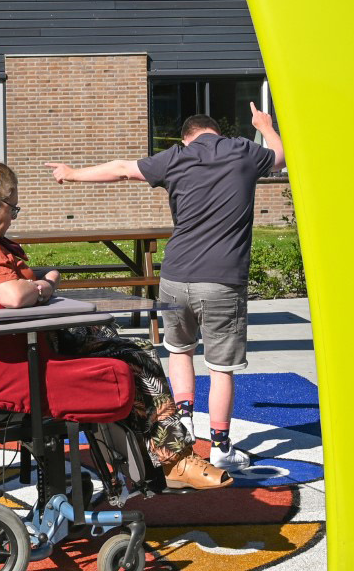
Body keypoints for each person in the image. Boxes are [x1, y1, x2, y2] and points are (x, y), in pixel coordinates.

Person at [0, 160, 232, 490]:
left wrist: (39, 279)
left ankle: (153, 454)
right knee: (137, 355)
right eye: (12, 208)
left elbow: (5, 283)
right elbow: (11, 295)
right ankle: (174, 460)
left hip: (18, 344)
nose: (12, 217)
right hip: (30, 351)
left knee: (111, 339)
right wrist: (46, 287)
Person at [46, 102, 283, 471]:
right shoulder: (243, 151)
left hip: (175, 276)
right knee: (220, 368)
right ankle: (221, 446)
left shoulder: (176, 157)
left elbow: (122, 169)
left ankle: (184, 426)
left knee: (179, 351)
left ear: (187, 136)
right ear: (215, 132)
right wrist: (264, 125)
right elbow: (279, 158)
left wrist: (71, 173)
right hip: (222, 281)